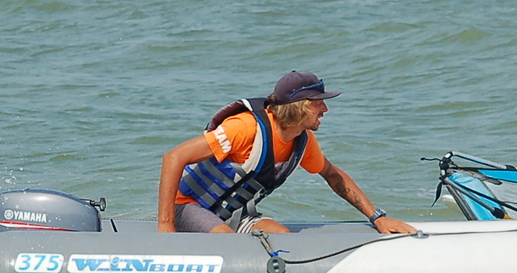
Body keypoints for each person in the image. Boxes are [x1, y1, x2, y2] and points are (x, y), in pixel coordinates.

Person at [158, 71, 415, 235]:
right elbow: (174, 157)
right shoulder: (245, 128)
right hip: (188, 207)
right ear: (299, 107)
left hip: (236, 214)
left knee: (283, 238)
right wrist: (166, 226)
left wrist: (377, 218)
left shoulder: (303, 142)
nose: (325, 109)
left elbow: (333, 176)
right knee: (226, 240)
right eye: (318, 103)